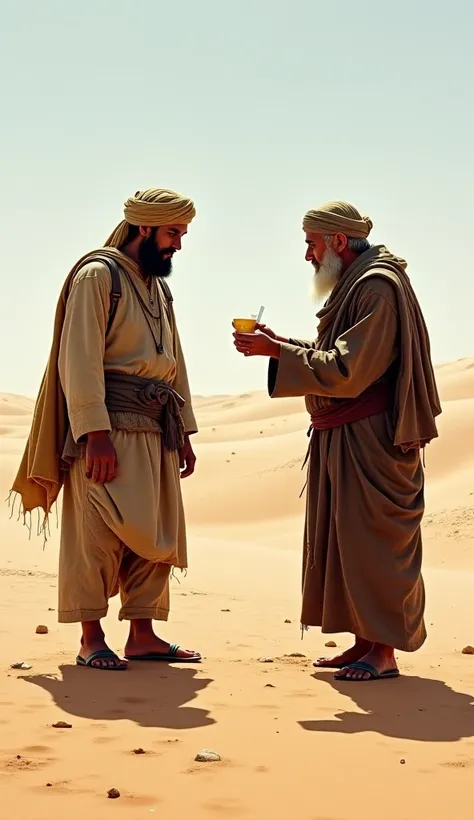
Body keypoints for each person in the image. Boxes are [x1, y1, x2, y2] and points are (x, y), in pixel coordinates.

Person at [233, 201, 441, 682]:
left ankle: (383, 652)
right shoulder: (356, 285)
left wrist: (277, 352)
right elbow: (335, 356)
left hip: (371, 440)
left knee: (375, 543)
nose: (307, 255)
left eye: (311, 243)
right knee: (347, 542)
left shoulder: (376, 289)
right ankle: (363, 642)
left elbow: (348, 372)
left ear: (337, 242)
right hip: (344, 438)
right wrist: (278, 343)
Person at [11, 188, 202, 670]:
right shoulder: (99, 276)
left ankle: (143, 633)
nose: (178, 244)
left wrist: (185, 433)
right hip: (109, 430)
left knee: (158, 534)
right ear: (144, 228)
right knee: (95, 533)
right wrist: (93, 432)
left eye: (181, 233)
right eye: (173, 232)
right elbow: (79, 360)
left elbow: (174, 363)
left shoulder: (158, 286)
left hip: (158, 427)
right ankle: (90, 637)